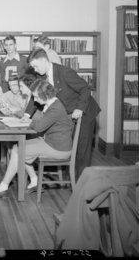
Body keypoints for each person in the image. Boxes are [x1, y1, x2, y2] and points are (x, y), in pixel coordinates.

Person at [0, 79, 74, 199]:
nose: (34, 100)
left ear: (45, 95)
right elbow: (41, 124)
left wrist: (31, 121)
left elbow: (40, 127)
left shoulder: (54, 108)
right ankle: (34, 180)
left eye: (36, 97)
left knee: (18, 150)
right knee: (17, 147)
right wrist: (32, 122)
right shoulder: (53, 103)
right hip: (50, 142)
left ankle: (3, 187)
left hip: (58, 148)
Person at [25, 48, 101, 180]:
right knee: (71, 145)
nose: (35, 70)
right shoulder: (41, 76)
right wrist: (26, 116)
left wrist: (80, 108)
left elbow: (85, 88)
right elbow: (36, 96)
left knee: (82, 149)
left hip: (84, 111)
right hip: (68, 113)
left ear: (44, 60)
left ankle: (81, 183)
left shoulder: (64, 72)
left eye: (35, 66)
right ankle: (71, 176)